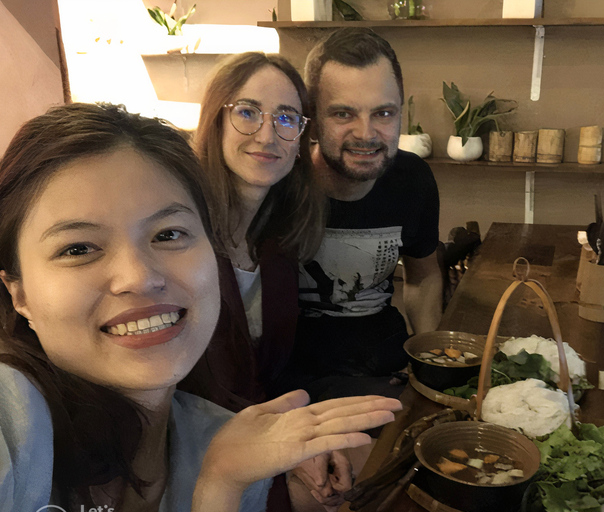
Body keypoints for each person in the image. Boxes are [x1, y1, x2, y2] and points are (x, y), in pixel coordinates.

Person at [0, 103, 401, 512]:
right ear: (18, 294)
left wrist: (219, 488)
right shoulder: (11, 418)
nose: (139, 277)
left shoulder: (219, 445)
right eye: (78, 248)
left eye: (169, 233)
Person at [281, 28, 443, 402]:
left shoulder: (413, 179)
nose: (366, 134)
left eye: (383, 113)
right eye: (343, 113)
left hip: (385, 365)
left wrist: (427, 359)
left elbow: (423, 276)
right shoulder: (280, 181)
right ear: (314, 117)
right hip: (293, 378)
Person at [191, 52, 325, 404]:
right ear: (216, 120)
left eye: (285, 118)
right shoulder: (180, 235)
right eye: (247, 112)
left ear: (300, 139)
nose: (267, 136)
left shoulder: (279, 238)